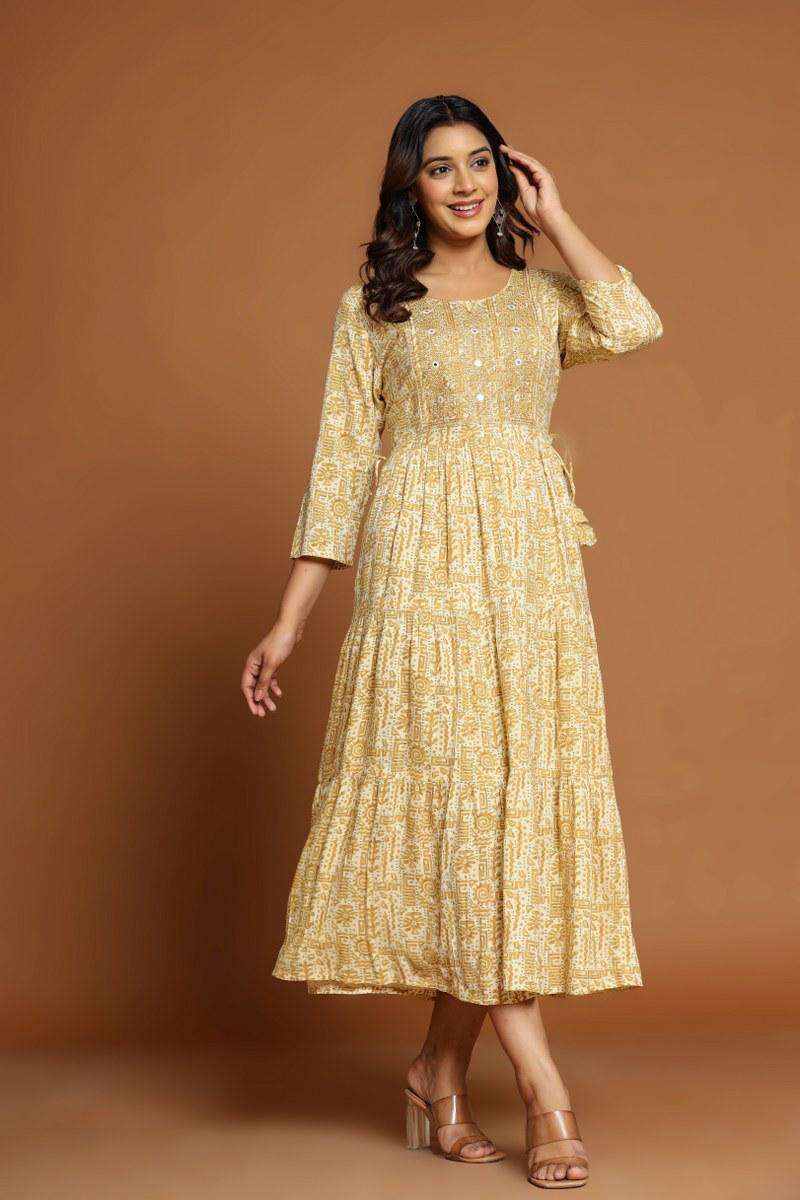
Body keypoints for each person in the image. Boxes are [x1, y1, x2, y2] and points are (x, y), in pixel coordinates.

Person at [242, 94, 663, 1190]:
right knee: (459, 811)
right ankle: (544, 1094)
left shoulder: (543, 301)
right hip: (420, 572)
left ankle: (435, 1069)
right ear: (409, 186)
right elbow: (340, 466)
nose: (467, 184)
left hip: (531, 580)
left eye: (482, 163)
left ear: (506, 177)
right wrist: (288, 622)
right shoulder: (373, 309)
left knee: (505, 820)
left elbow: (632, 322)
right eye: (441, 168)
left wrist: (558, 216)